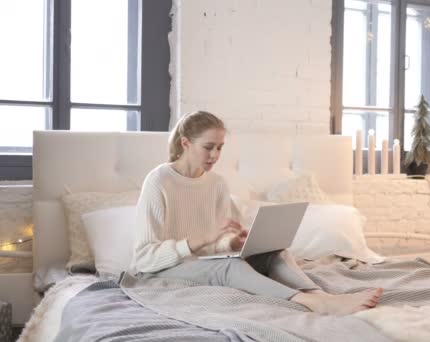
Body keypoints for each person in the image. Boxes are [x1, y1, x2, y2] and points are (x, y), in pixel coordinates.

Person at [131, 110, 382, 315]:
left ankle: (320, 294)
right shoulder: (159, 181)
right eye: (208, 147)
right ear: (185, 143)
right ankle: (309, 302)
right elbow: (144, 258)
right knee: (228, 269)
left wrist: (232, 242)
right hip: (163, 270)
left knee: (275, 252)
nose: (215, 155)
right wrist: (200, 240)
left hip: (203, 263)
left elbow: (216, 247)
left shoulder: (217, 183)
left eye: (220, 147)